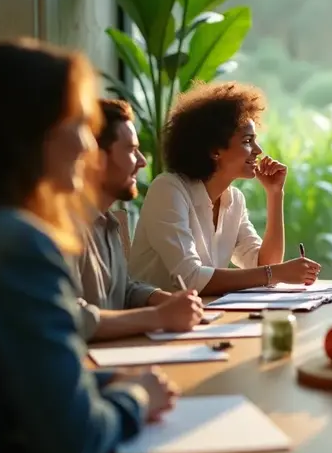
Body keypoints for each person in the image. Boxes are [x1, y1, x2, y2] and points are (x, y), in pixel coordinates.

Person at [0, 40, 177, 453]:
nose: (86, 143)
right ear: (32, 133)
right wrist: (137, 398)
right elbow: (76, 441)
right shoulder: (15, 244)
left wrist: (102, 383)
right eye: (78, 123)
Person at [130, 82, 320, 294]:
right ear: (214, 150)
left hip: (202, 315)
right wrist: (277, 273)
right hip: (156, 322)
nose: (258, 150)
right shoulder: (168, 189)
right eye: (248, 141)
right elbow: (191, 278)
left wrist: (275, 194)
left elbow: (263, 265)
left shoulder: (234, 200)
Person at [71, 99, 203, 341]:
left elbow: (123, 290)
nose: (142, 161)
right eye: (131, 150)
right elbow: (71, 317)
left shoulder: (109, 223)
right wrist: (161, 316)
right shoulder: (62, 229)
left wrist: (164, 300)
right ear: (95, 158)